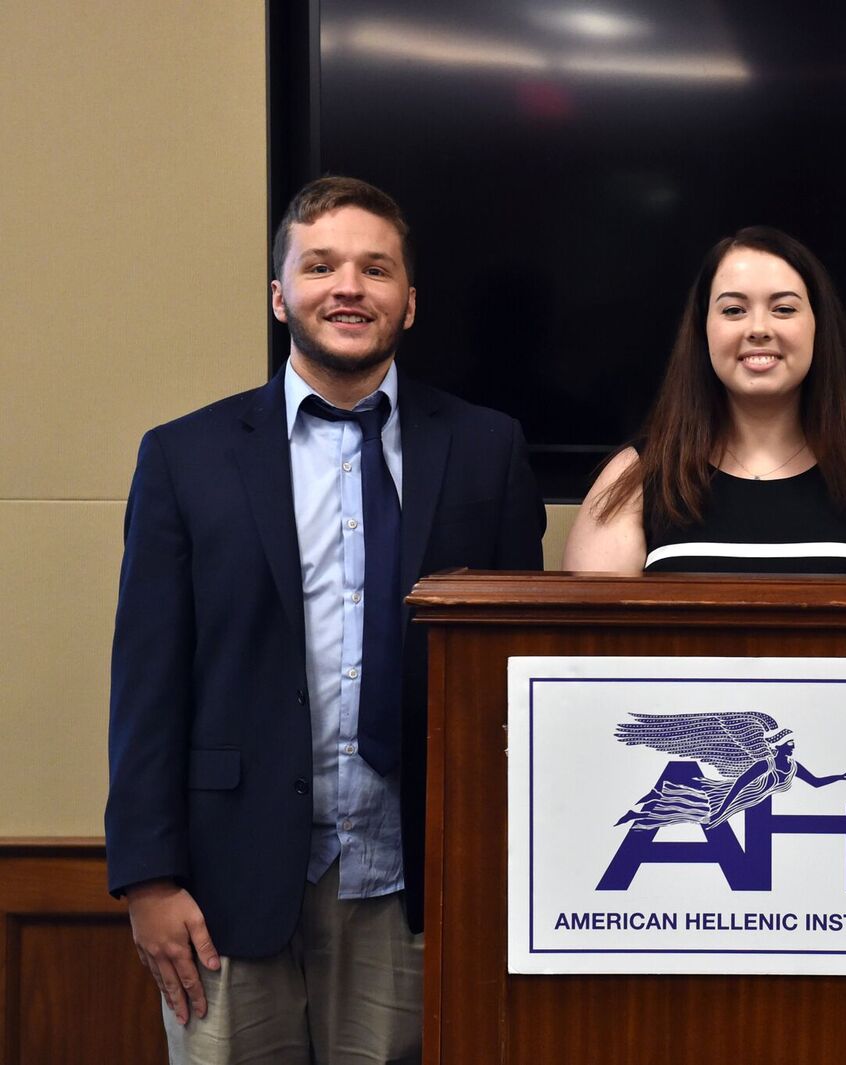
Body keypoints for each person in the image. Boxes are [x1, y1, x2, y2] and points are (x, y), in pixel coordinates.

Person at [105, 176, 546, 1063]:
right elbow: (147, 679)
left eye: (375, 268)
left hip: (415, 887)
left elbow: (510, 682)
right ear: (280, 295)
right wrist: (147, 879)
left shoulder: (486, 451)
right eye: (321, 265)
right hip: (223, 889)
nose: (349, 286)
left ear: (409, 302)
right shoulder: (185, 457)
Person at [562, 226, 846, 576]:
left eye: (784, 309)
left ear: (819, 327)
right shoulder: (635, 477)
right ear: (703, 331)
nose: (759, 329)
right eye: (734, 310)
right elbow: (587, 646)